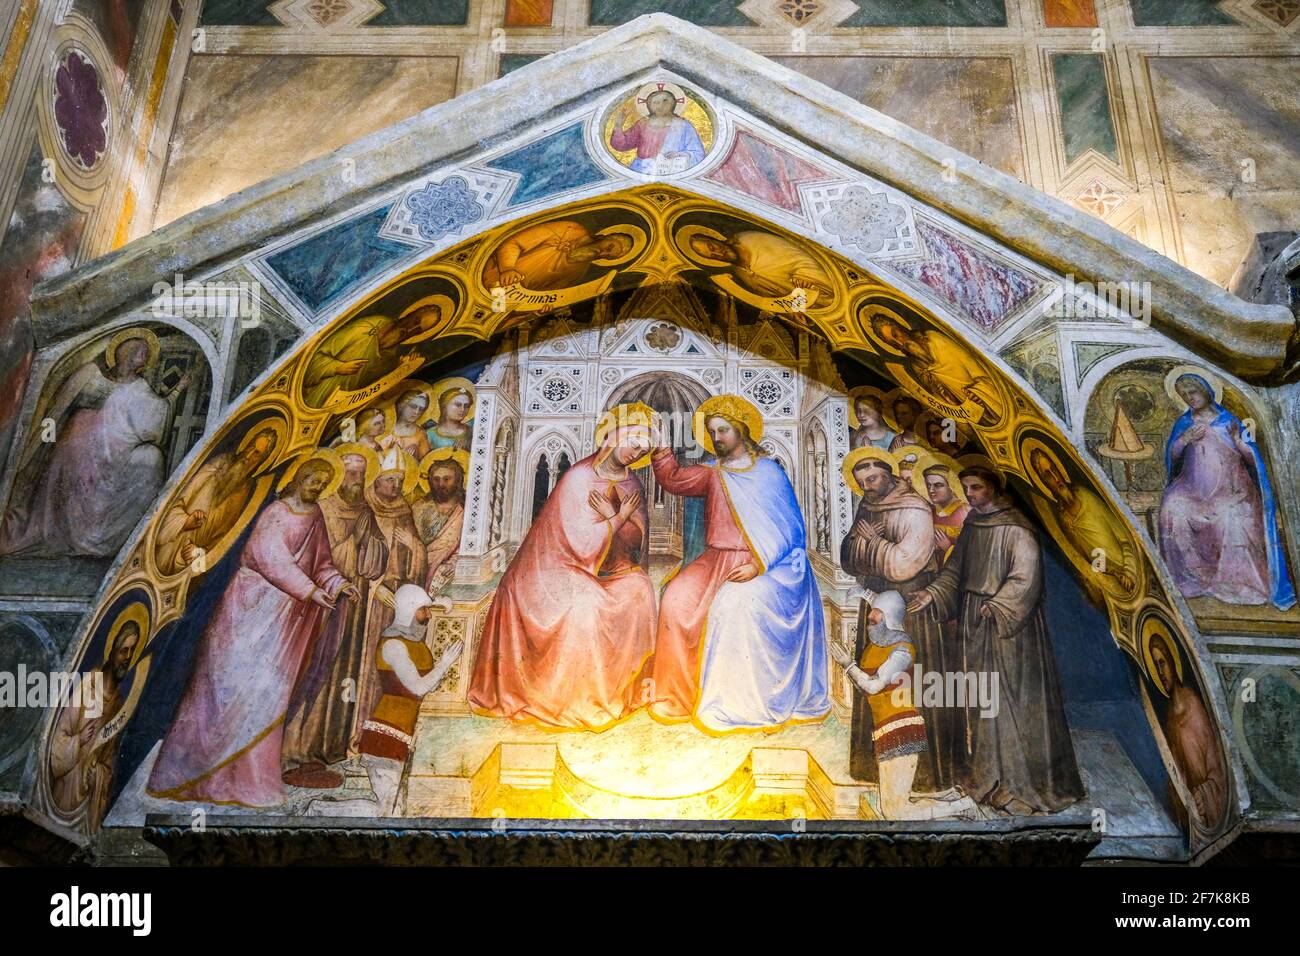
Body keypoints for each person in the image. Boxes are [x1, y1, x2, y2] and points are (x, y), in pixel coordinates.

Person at [147, 457, 358, 807]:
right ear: (296, 478)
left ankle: (251, 781)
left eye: (322, 483)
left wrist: (337, 584)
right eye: (311, 479)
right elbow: (270, 558)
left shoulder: (316, 516)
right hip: (248, 610)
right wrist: (310, 591)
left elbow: (321, 562)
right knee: (226, 688)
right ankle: (190, 774)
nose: (316, 487)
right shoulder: (275, 513)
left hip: (286, 619)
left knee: (270, 693)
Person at [909, 466, 1084, 815]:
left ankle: (1019, 784)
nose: (970, 493)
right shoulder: (974, 524)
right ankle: (987, 778)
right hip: (975, 620)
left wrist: (1000, 605)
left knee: (1009, 703)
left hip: (1008, 628)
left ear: (993, 486)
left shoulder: (1017, 527)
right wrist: (932, 593)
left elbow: (1026, 576)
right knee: (980, 700)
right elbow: (955, 570)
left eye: (975, 486)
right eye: (966, 487)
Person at [649, 395, 829, 732]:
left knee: (734, 607)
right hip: (716, 558)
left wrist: (759, 564)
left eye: (724, 430)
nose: (717, 438)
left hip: (762, 561)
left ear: (742, 431)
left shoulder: (768, 472)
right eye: (712, 431)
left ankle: (734, 700)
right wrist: (661, 448)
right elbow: (673, 479)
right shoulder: (713, 473)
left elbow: (791, 530)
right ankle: (677, 698)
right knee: (675, 598)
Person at [468, 409, 656, 729]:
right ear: (614, 437)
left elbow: (637, 542)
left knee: (641, 591)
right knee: (585, 603)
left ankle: (622, 690)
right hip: (554, 567)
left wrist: (617, 517)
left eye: (643, 450)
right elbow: (578, 542)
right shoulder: (579, 476)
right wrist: (618, 517)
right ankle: (576, 698)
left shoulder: (632, 483)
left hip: (605, 568)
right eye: (634, 442)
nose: (636, 452)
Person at [1, 331, 185, 558]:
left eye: (146, 352)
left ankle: (114, 537)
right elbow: (58, 409)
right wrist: (44, 440)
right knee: (71, 455)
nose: (144, 355)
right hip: (79, 450)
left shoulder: (140, 387)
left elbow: (156, 415)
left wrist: (177, 392)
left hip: (117, 454)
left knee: (152, 459)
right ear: (122, 350)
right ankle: (73, 532)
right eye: (139, 349)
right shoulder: (90, 374)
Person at [838, 448, 947, 788]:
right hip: (876, 601)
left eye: (872, 479)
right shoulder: (867, 506)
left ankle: (921, 776)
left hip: (908, 605)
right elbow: (848, 554)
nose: (868, 487)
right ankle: (873, 768)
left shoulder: (915, 508)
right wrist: (866, 547)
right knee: (875, 679)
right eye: (861, 483)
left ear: (887, 472)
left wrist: (873, 546)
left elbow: (905, 563)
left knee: (908, 687)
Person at [281, 446, 388, 788]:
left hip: (350, 605)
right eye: (351, 473)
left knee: (341, 675)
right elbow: (310, 558)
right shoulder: (320, 510)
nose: (356, 480)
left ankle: (326, 748)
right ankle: (292, 752)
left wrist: (369, 548)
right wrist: (349, 550)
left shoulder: (366, 512)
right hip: (314, 607)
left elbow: (374, 563)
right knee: (312, 670)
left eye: (361, 473)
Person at [829, 591, 978, 821]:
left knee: (895, 811)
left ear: (889, 618)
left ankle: (961, 807)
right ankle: (950, 798)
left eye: (876, 615)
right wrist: (862, 593)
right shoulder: (875, 646)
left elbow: (873, 686)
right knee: (894, 806)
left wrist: (848, 665)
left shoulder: (902, 651)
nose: (870, 618)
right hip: (886, 731)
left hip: (902, 730)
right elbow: (865, 689)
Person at [1159, 372, 1295, 610]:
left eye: (1193, 392)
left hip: (1231, 488)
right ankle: (1192, 578)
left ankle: (1236, 582)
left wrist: (1240, 443)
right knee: (1173, 506)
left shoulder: (1229, 422)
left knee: (1232, 515)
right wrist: (1183, 440)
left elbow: (1254, 460)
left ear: (1206, 392)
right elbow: (1173, 458)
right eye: (1184, 395)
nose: (1189, 398)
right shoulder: (1184, 423)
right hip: (1193, 488)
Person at [357, 585, 464, 816]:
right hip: (386, 733)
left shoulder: (416, 645)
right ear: (410, 610)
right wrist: (445, 664)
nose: (428, 614)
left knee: (396, 811)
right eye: (424, 609)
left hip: (404, 733)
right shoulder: (394, 645)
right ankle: (319, 811)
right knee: (387, 811)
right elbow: (417, 687)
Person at [48, 620, 141, 829]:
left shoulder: (118, 704)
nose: (127, 658)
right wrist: (78, 741)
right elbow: (56, 744)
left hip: (87, 802)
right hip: (66, 789)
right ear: (112, 650)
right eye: (123, 651)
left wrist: (99, 774)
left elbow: (108, 763)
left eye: (132, 651)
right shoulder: (88, 686)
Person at [154, 426, 279, 575]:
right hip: (168, 544)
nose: (248, 455)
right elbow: (176, 498)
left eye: (257, 453)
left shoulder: (246, 492)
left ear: (262, 460)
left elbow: (224, 539)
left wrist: (200, 553)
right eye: (250, 446)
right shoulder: (219, 464)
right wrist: (184, 522)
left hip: (187, 560)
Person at [1148, 629, 1228, 838]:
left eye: (1162, 662)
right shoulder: (1169, 716)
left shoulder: (1194, 707)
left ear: (1172, 662)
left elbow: (1218, 767)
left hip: (1210, 815)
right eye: (1156, 666)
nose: (1160, 672)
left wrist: (1205, 795)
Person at [1029, 447, 1137, 597]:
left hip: (1131, 571)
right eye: (1048, 475)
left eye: (1054, 470)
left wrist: (1129, 571)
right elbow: (1087, 559)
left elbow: (1126, 538)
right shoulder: (1064, 519)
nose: (1056, 478)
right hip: (1111, 582)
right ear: (1043, 482)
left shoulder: (1086, 498)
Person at [301, 301, 444, 407]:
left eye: (418, 330)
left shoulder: (391, 357)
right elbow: (310, 360)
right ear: (411, 313)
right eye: (416, 321)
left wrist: (401, 369)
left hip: (337, 409)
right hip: (315, 397)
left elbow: (371, 389)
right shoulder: (365, 328)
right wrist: (337, 367)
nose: (412, 328)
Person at [482, 220, 633, 292]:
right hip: (491, 271)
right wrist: (508, 268)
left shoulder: (579, 271)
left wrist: (536, 308)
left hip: (502, 295)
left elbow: (547, 294)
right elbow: (512, 243)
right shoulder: (569, 229)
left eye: (607, 256)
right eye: (609, 247)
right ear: (604, 237)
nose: (602, 253)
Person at [688, 230, 832, 301]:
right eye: (712, 256)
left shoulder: (753, 240)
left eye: (713, 247)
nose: (719, 254)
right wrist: (796, 310)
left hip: (826, 285)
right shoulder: (740, 274)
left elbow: (801, 257)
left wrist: (806, 277)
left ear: (716, 238)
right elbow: (775, 298)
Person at [609, 87, 706, 174]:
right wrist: (618, 126)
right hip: (642, 170)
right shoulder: (642, 124)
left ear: (673, 103)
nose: (661, 105)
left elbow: (698, 153)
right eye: (656, 102)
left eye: (665, 101)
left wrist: (679, 155)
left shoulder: (684, 126)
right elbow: (622, 145)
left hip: (672, 170)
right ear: (649, 105)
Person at [411, 450, 466, 593]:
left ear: (458, 481)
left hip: (450, 572)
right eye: (436, 479)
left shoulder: (466, 510)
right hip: (418, 569)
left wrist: (457, 563)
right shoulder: (418, 508)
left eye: (447, 479)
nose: (441, 484)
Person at [424, 383, 474, 452]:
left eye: (466, 406)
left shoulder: (472, 433)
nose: (462, 409)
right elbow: (426, 459)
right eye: (458, 405)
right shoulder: (430, 434)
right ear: (444, 406)